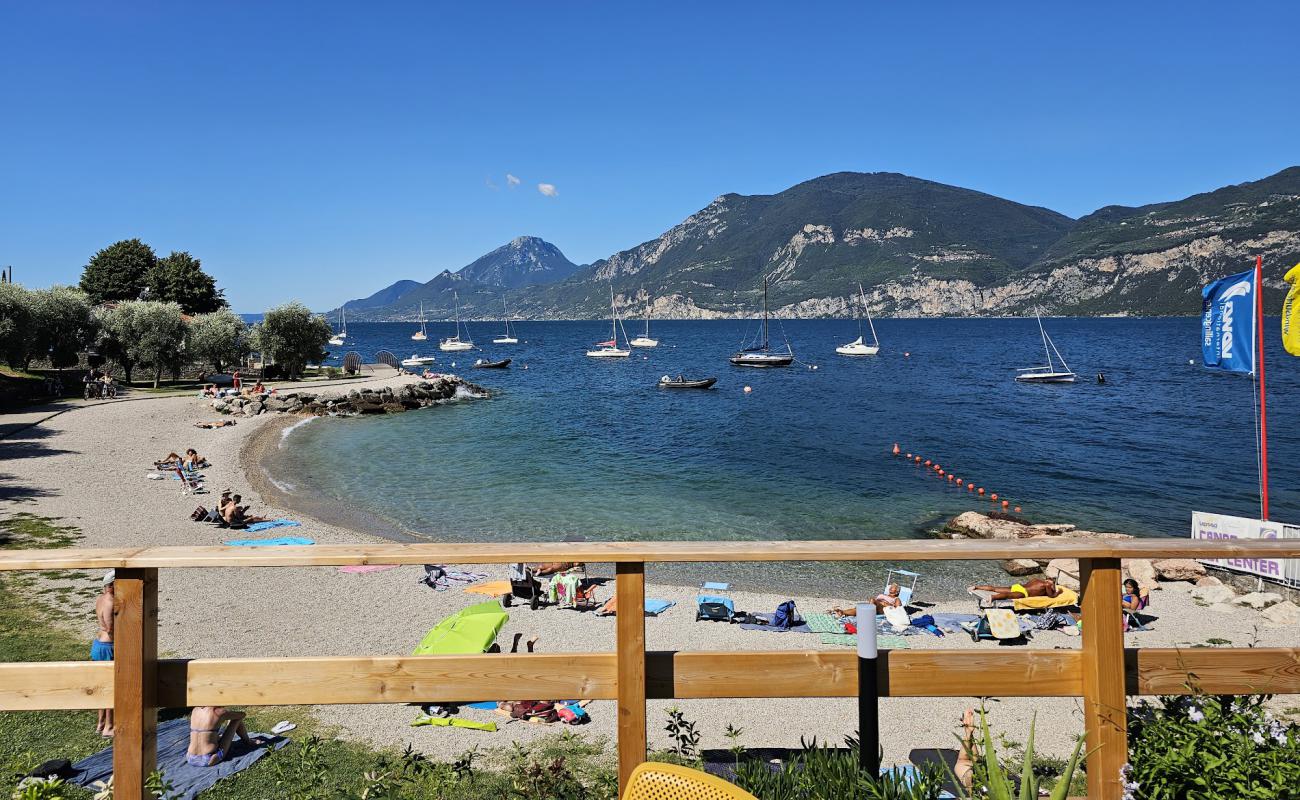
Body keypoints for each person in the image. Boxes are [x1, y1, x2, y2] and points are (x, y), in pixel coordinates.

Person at [186, 706, 268, 767]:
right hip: (209, 759)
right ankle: (248, 741)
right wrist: (228, 714)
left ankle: (219, 739)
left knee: (207, 734)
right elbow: (242, 714)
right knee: (237, 719)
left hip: (190, 757)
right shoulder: (218, 712)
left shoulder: (195, 710)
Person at [92, 571, 115, 736]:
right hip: (108, 646)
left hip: (98, 644)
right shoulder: (110, 601)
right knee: (111, 687)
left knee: (101, 686)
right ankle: (109, 726)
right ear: (113, 585)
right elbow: (110, 628)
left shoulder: (100, 598)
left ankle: (100, 723)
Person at [829, 584, 903, 617]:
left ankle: (868, 616)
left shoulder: (896, 599)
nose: (890, 588)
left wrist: (886, 604)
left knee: (871, 600)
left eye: (893, 587)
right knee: (859, 607)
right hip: (875, 606)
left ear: (896, 592)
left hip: (883, 609)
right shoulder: (885, 595)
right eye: (890, 586)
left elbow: (898, 610)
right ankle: (843, 612)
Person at [971, 578, 1061, 602]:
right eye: (1053, 584)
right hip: (1023, 592)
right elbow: (1051, 596)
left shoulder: (1037, 580)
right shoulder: (1047, 584)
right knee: (1007, 596)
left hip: (1019, 586)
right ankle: (993, 597)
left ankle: (976, 587)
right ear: (1050, 582)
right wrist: (1058, 592)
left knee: (995, 588)